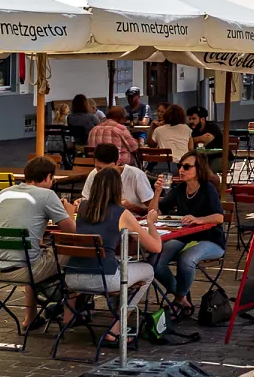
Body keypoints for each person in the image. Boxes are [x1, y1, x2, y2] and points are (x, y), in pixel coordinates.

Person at [71, 167, 159, 346]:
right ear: (118, 188)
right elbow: (155, 247)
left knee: (117, 263)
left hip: (72, 278)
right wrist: (151, 224)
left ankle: (72, 318)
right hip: (104, 279)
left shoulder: (81, 208)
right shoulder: (121, 213)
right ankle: (116, 328)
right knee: (148, 271)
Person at [0, 156, 76, 330]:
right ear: (48, 176)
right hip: (25, 270)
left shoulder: (4, 192)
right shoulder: (47, 195)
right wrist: (69, 211)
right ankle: (69, 314)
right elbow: (72, 232)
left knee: (31, 254)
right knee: (76, 249)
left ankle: (30, 317)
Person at [148, 153, 225, 319]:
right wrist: (157, 192)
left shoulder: (207, 188)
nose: (181, 170)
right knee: (154, 260)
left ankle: (178, 300)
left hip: (210, 239)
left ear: (199, 169)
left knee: (186, 259)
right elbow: (154, 212)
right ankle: (182, 297)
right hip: (185, 237)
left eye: (186, 167)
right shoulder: (179, 189)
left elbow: (219, 217)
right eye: (180, 166)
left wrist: (199, 219)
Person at [81, 142, 155, 213]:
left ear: (118, 162)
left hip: (134, 219)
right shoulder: (94, 174)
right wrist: (80, 204)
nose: (103, 173)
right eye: (98, 168)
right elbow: (86, 201)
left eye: (108, 169)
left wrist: (132, 207)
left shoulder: (136, 175)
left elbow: (154, 211)